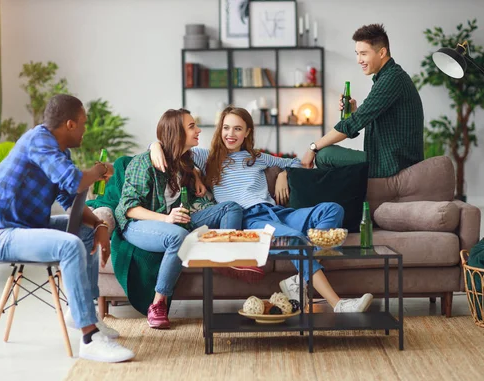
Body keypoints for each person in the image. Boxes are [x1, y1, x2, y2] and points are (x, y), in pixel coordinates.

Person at [151, 107, 373, 313]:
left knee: (332, 209)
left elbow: (296, 163)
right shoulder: (207, 157)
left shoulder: (257, 158)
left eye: (238, 129)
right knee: (296, 239)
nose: (231, 134)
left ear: (247, 132)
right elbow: (173, 148)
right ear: (220, 130)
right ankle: (338, 303)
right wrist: (154, 146)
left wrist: (283, 174)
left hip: (275, 213)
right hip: (249, 220)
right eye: (226, 128)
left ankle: (299, 279)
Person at [0, 94, 134, 363]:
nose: (85, 129)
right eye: (83, 123)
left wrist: (99, 224)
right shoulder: (39, 140)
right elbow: (74, 182)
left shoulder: (60, 152)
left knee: (85, 231)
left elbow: (70, 200)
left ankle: (84, 313)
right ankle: (89, 338)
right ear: (70, 124)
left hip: (25, 228)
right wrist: (100, 170)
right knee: (68, 244)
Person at [115, 108, 244, 329]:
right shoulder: (144, 163)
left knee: (231, 208)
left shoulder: (184, 161)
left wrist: (195, 176)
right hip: (138, 225)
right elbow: (129, 208)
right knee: (179, 236)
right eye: (192, 126)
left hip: (176, 222)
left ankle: (223, 256)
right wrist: (165, 219)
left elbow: (191, 166)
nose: (199, 130)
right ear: (177, 133)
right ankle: (158, 304)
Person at [302, 23, 424, 178]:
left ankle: (345, 200)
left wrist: (313, 147)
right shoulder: (387, 77)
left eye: (364, 54)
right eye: (357, 53)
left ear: (382, 52)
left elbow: (353, 124)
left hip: (393, 163)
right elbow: (362, 119)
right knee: (326, 154)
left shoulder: (391, 79)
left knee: (324, 155)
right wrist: (354, 112)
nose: (359, 60)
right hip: (386, 158)